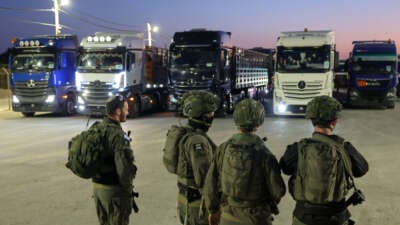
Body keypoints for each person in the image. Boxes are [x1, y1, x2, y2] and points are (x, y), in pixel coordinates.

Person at [279, 95, 369, 225]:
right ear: (334, 122)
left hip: (304, 218)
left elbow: (285, 168)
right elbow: (362, 169)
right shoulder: (345, 148)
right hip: (336, 218)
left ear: (312, 121)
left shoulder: (297, 149)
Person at [204, 99, 286, 225]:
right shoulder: (265, 153)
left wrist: (213, 211)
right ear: (259, 122)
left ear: (236, 120)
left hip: (228, 217)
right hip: (256, 219)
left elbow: (211, 184)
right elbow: (278, 191)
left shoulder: (223, 149)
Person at [175, 90, 219, 225]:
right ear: (201, 115)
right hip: (197, 207)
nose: (212, 116)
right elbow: (205, 179)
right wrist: (213, 209)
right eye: (210, 113)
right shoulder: (197, 141)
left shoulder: (188, 132)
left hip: (187, 201)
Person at [92, 95, 137, 225]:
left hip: (98, 189)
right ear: (118, 111)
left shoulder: (97, 128)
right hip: (113, 192)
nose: (127, 112)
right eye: (126, 109)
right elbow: (123, 169)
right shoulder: (118, 135)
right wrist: (128, 190)